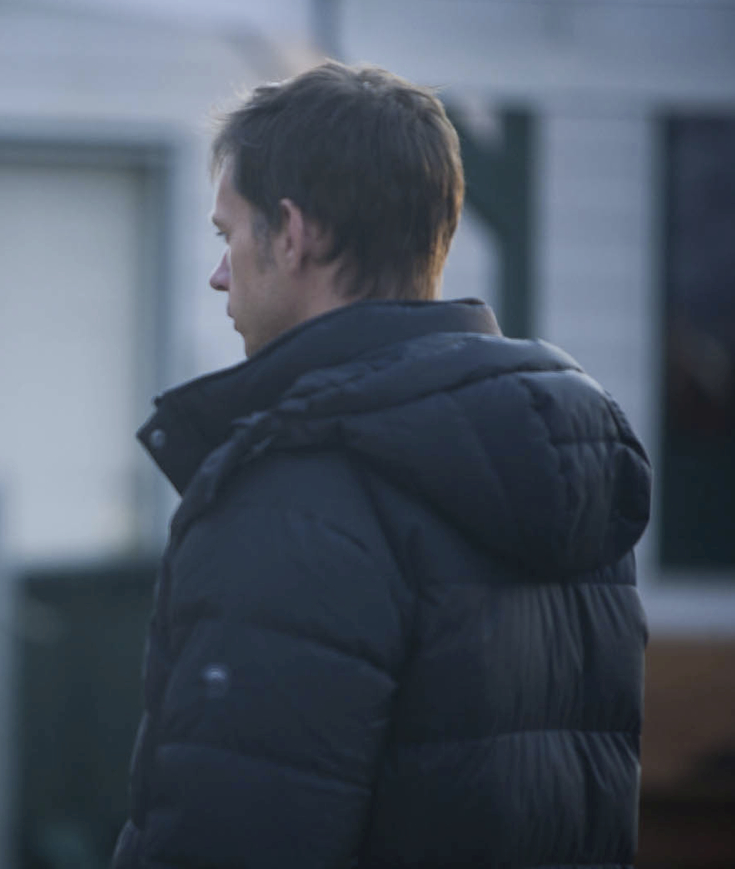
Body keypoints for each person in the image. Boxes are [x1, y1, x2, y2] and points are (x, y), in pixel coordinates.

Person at [113, 62, 651, 868]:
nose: (220, 272)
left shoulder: (295, 498)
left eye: (229, 234)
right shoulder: (570, 478)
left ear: (295, 234)